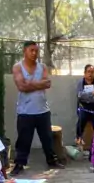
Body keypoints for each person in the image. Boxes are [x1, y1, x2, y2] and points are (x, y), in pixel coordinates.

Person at [12, 40, 63, 175]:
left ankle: (52, 161)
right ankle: (19, 164)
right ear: (25, 52)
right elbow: (21, 86)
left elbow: (47, 84)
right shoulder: (17, 67)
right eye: (31, 50)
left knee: (47, 138)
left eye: (36, 51)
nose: (34, 53)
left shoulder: (43, 67)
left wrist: (29, 84)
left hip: (42, 111)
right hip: (25, 112)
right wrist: (37, 84)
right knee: (23, 140)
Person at [76, 64, 94, 148]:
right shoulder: (81, 83)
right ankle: (79, 141)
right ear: (84, 73)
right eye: (88, 72)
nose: (90, 74)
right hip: (84, 108)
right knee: (80, 122)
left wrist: (87, 98)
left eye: (92, 72)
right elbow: (79, 95)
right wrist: (92, 94)